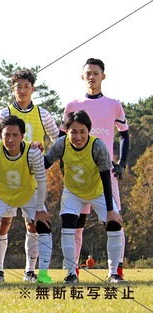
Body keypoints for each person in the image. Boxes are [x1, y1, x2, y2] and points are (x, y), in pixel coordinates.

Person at [0, 69, 59, 284]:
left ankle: (30, 271)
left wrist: (44, 159)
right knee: (4, 222)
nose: (22, 90)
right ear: (13, 89)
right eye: (18, 86)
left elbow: (58, 139)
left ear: (32, 88)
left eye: (26, 86)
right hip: (6, 177)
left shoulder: (43, 114)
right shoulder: (3, 113)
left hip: (31, 178)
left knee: (34, 223)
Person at [62, 58, 130, 278]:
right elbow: (63, 141)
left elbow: (125, 134)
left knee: (114, 219)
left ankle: (116, 270)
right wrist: (65, 168)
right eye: (88, 73)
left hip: (106, 174)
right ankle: (73, 270)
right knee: (76, 223)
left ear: (103, 76)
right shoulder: (73, 105)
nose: (91, 77)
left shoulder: (113, 104)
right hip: (79, 175)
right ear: (83, 77)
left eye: (95, 73)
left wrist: (121, 164)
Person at [45, 110, 126, 284]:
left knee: (114, 225)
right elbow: (45, 163)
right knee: (68, 227)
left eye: (82, 131)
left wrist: (111, 210)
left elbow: (106, 177)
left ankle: (113, 274)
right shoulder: (61, 144)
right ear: (67, 131)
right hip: (73, 192)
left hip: (98, 191)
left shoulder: (97, 146)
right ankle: (71, 273)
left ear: (88, 130)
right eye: (74, 132)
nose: (78, 136)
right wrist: (32, 151)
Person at [0, 115, 53, 285]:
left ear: (22, 136)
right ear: (1, 135)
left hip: (27, 194)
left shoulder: (33, 152)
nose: (10, 139)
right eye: (6, 135)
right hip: (1, 194)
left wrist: (40, 208)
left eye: (15, 135)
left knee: (43, 224)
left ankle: (41, 274)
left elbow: (42, 181)